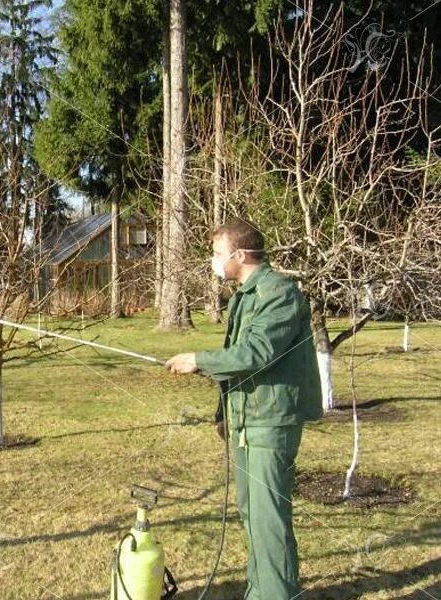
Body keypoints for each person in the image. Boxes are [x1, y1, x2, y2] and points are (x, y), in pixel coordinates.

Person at [165, 218, 323, 600]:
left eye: (218, 254)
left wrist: (199, 359)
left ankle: (277, 594)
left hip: (270, 422)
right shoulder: (246, 294)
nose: (214, 261)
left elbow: (258, 353)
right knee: (252, 514)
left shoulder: (278, 293)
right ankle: (261, 590)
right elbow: (241, 363)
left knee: (269, 519)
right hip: (245, 421)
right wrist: (225, 413)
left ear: (240, 254)